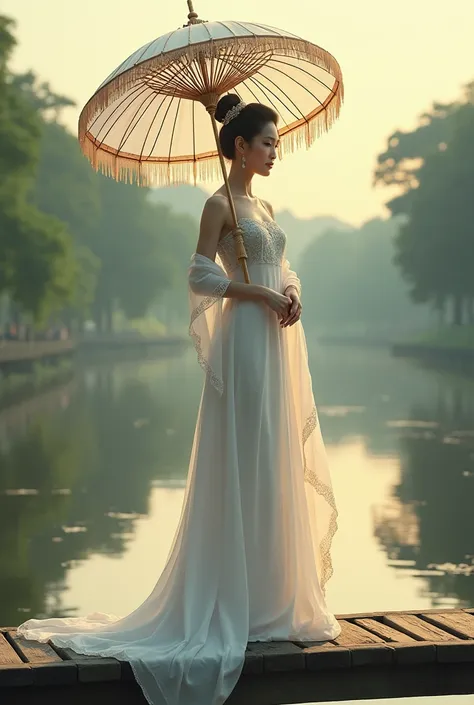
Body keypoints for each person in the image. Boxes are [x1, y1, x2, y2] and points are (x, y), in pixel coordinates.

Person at [16, 94, 341, 705]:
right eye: (266, 142)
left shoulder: (264, 205)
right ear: (239, 147)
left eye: (275, 143)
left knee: (272, 458)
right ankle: (235, 601)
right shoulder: (217, 204)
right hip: (244, 343)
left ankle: (274, 599)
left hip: (274, 345)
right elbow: (199, 275)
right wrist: (257, 294)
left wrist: (291, 292)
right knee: (244, 455)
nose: (274, 151)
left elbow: (285, 263)